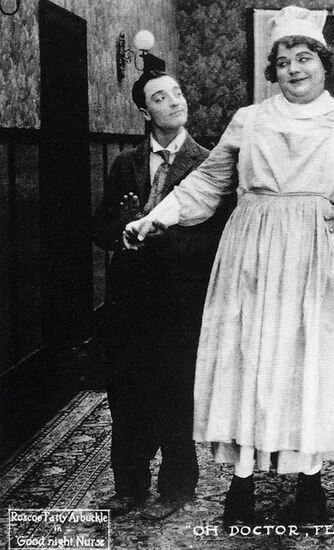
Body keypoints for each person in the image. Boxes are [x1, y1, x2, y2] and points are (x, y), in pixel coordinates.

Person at [124, 5, 334, 527]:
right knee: (250, 362)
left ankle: (310, 481)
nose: (293, 69)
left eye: (304, 58)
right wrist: (157, 217)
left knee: (310, 366)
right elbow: (208, 182)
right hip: (252, 256)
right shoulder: (250, 119)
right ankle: (241, 482)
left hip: (321, 261)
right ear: (273, 70)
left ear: (323, 64)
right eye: (283, 62)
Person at [92, 70, 232, 519]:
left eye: (177, 93)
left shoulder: (210, 163)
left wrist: (161, 237)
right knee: (127, 392)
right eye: (160, 97)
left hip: (182, 300)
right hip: (130, 302)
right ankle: (128, 487)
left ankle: (176, 488)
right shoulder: (124, 164)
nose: (174, 102)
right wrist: (123, 231)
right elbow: (101, 227)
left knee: (176, 392)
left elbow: (219, 239)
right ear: (144, 110)